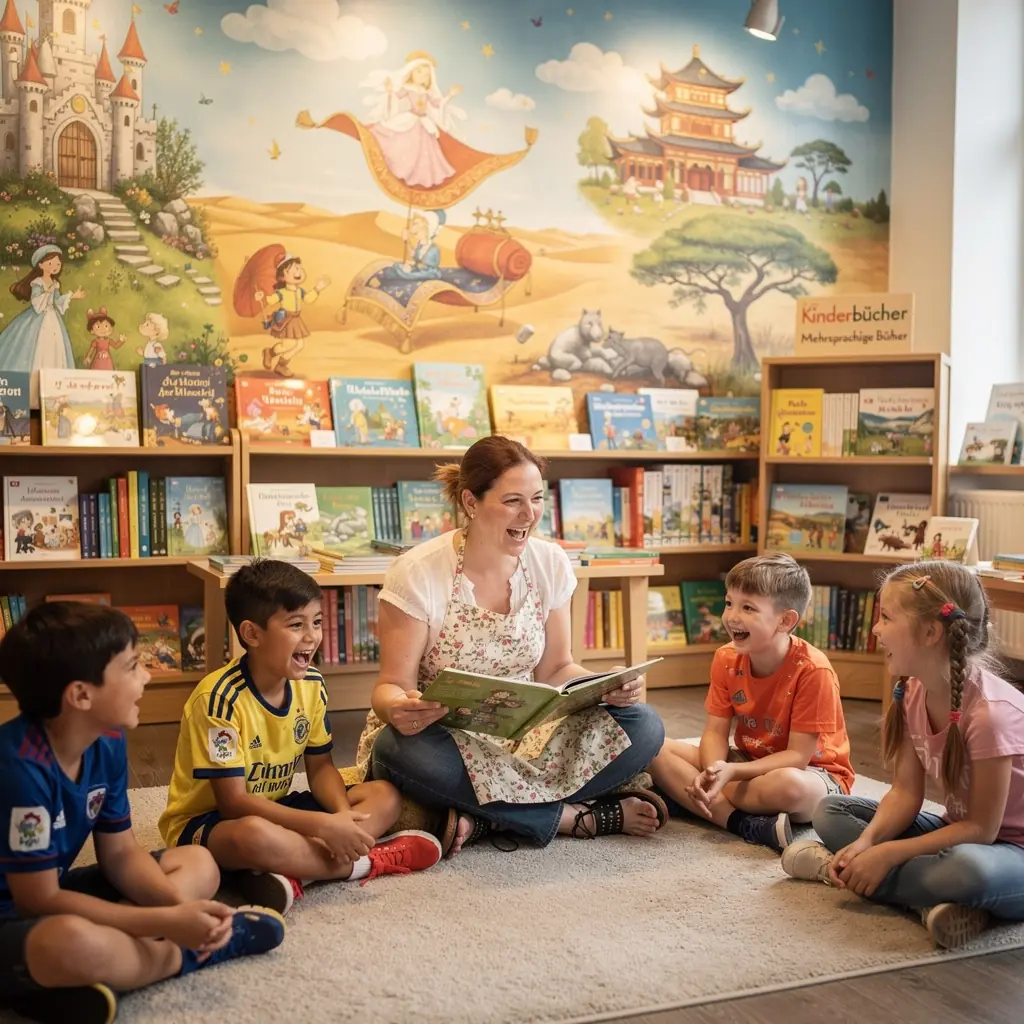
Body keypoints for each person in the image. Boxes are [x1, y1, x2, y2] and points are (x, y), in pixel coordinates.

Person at [355, 436, 668, 856]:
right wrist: (399, 707)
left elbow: (558, 669)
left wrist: (604, 685)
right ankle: (575, 817)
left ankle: (482, 818)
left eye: (537, 499)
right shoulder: (417, 572)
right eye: (513, 501)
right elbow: (390, 687)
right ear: (470, 501)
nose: (529, 514)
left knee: (643, 724)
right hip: (447, 739)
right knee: (397, 750)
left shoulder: (549, 562)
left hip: (528, 736)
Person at [0, 603, 285, 1024]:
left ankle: (54, 987)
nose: (147, 676)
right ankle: (185, 956)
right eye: (133, 666)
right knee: (73, 942)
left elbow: (120, 855)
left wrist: (176, 911)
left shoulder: (106, 740)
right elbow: (37, 901)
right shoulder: (18, 769)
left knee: (198, 863)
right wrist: (166, 923)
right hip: (22, 911)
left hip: (49, 894)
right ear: (81, 694)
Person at [158, 559, 443, 916]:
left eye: (317, 622)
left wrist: (341, 817)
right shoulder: (219, 700)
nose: (312, 636)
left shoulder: (311, 685)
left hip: (280, 809)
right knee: (254, 837)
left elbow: (321, 768)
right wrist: (323, 826)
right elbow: (234, 804)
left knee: (383, 795)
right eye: (296, 625)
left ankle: (295, 869)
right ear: (252, 634)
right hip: (211, 823)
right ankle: (364, 863)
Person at [782, 562, 1024, 950]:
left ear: (930, 632)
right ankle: (927, 903)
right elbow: (906, 794)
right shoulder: (912, 691)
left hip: (1008, 851)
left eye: (887, 618)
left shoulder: (993, 716)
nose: (876, 629)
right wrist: (869, 843)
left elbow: (982, 830)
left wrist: (889, 853)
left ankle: (835, 870)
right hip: (958, 833)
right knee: (831, 812)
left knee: (967, 871)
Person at [649, 553, 854, 852]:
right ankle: (741, 821)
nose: (732, 616)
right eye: (729, 602)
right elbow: (715, 732)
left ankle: (688, 796)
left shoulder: (813, 670)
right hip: (747, 762)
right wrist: (714, 770)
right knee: (653, 745)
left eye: (748, 608)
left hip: (814, 774)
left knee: (788, 786)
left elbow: (797, 757)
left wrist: (726, 775)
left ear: (785, 621)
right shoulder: (725, 658)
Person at [0, 245, 85, 405]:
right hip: (38, 321)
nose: (55, 267)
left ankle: (53, 396)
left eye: (57, 264)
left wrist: (72, 296)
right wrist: (49, 291)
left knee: (54, 350)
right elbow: (37, 305)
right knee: (36, 351)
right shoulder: (37, 283)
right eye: (51, 263)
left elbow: (57, 302)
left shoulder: (55, 283)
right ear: (40, 265)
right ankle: (30, 397)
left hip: (53, 320)